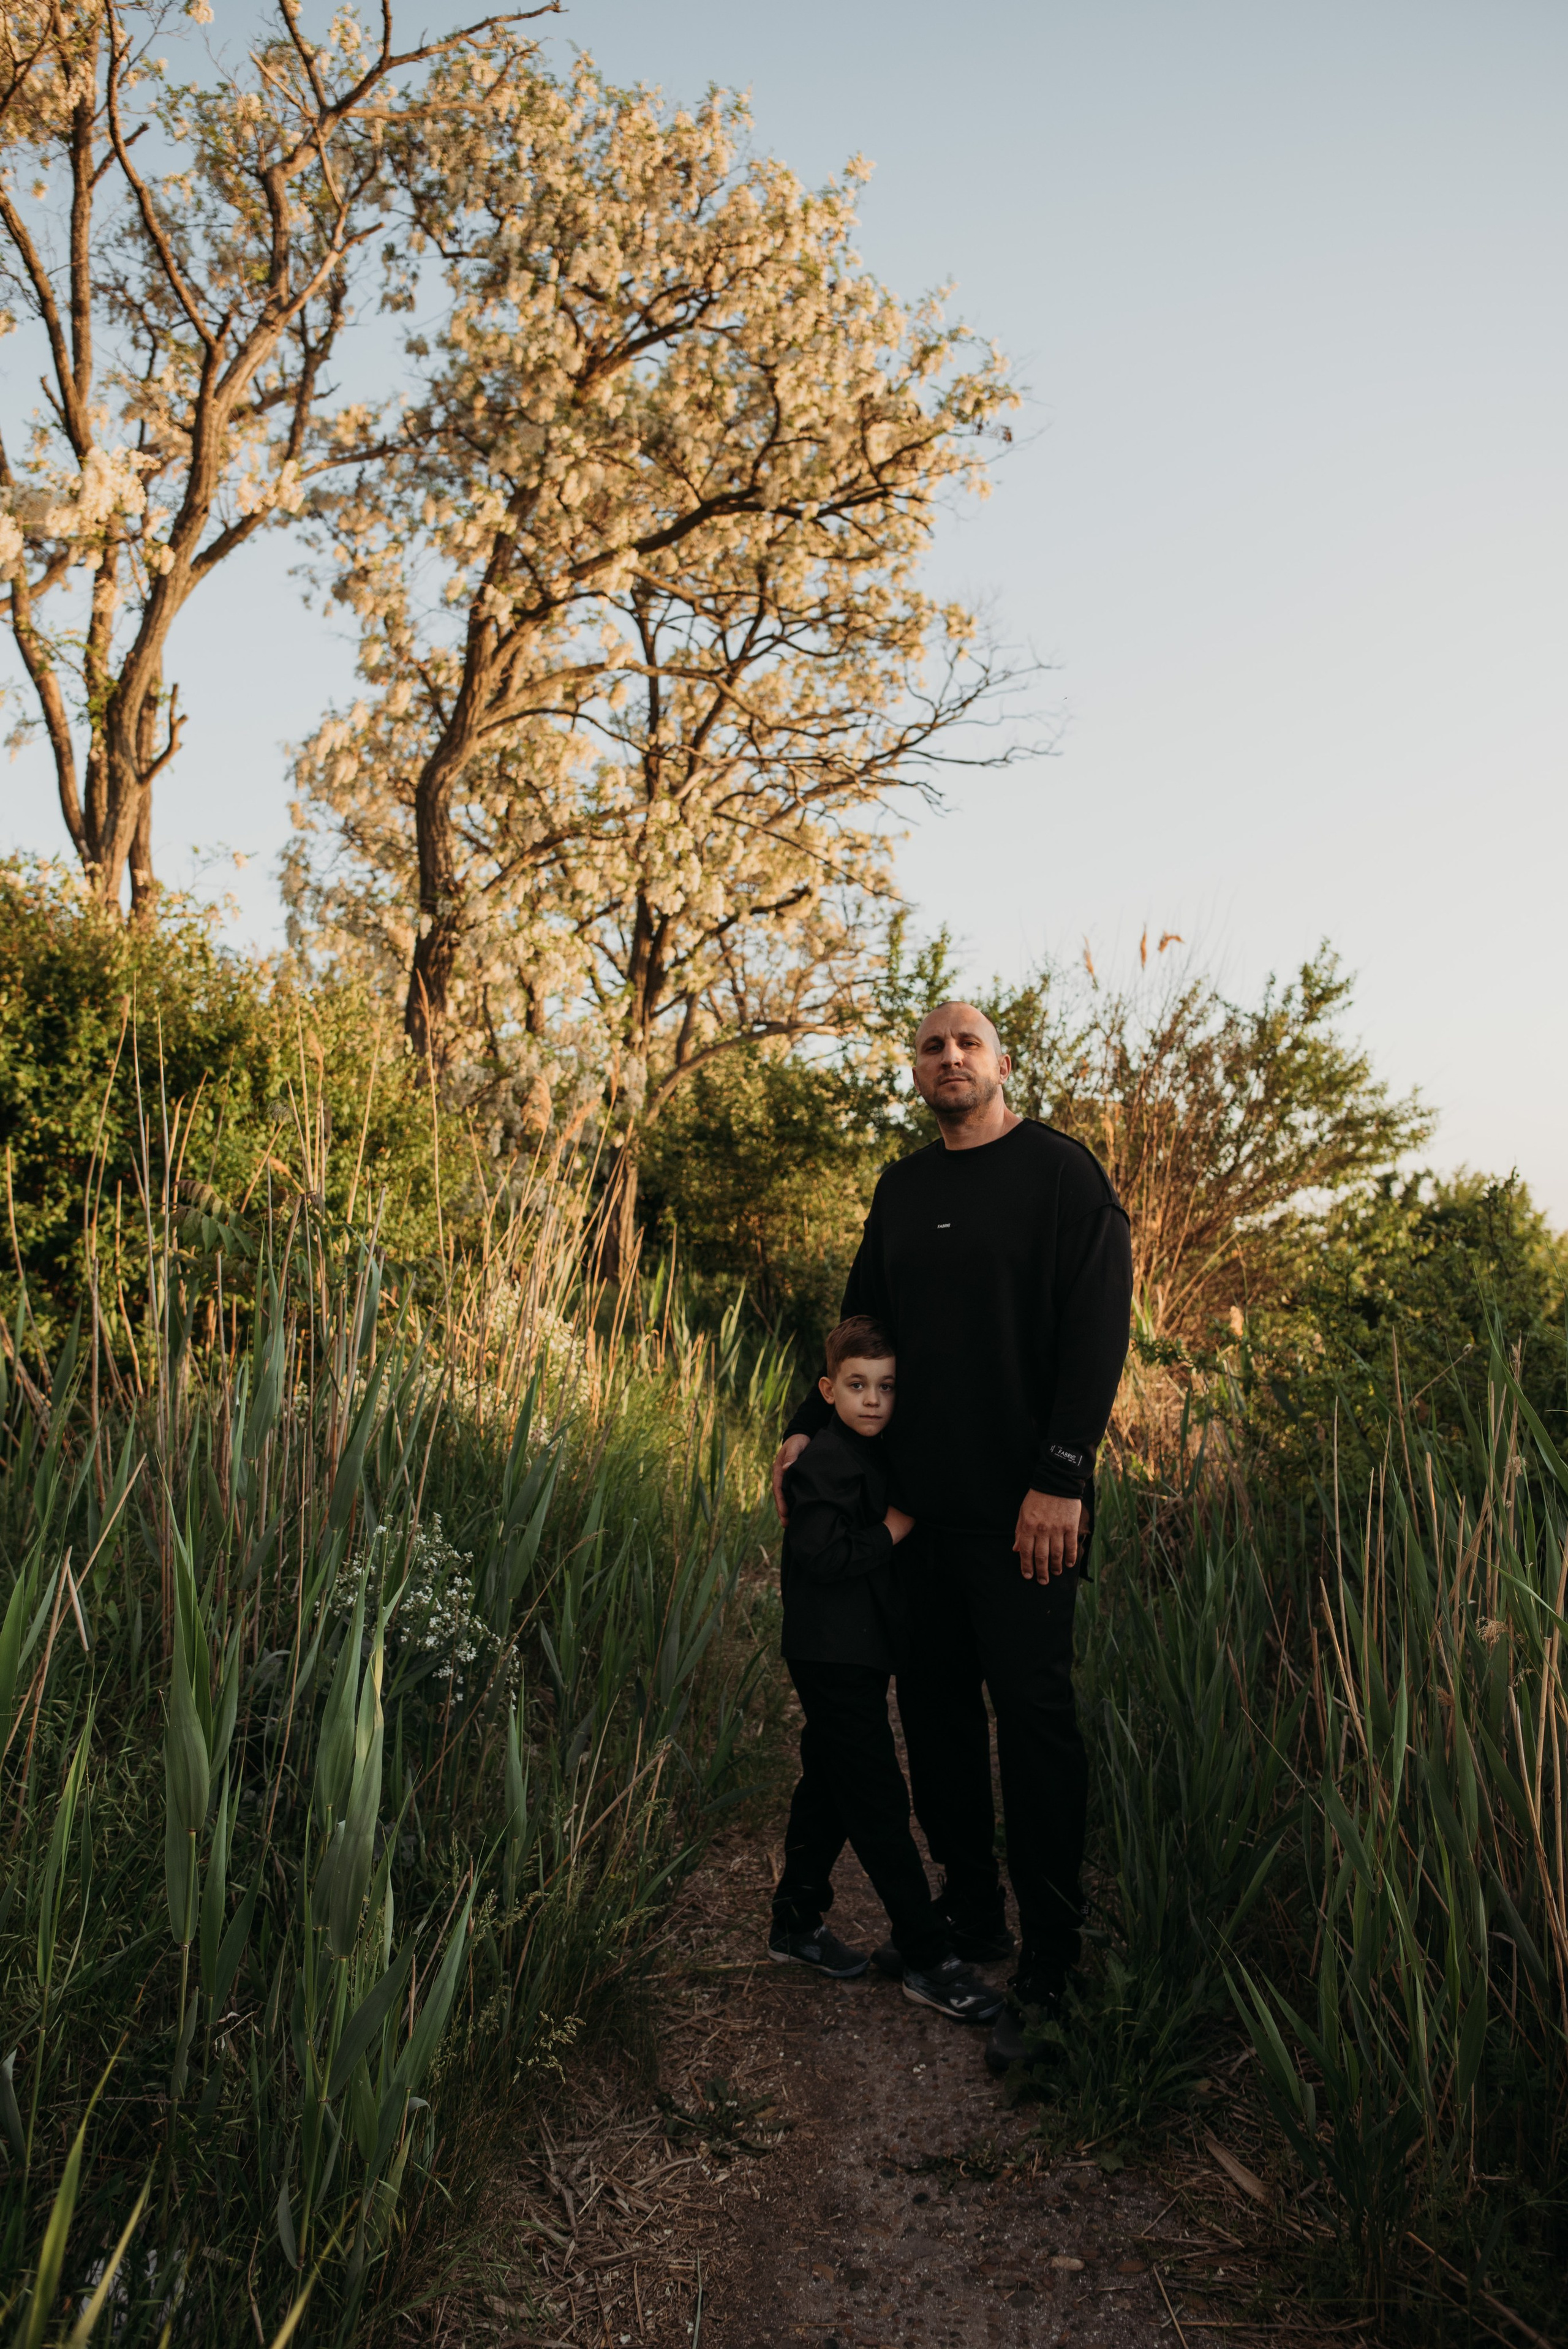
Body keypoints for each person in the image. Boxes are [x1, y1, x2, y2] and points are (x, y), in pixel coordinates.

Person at [772, 1003, 1133, 2073]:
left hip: (1028, 1517)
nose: (948, 1058)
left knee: (1033, 1724)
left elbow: (1097, 1327)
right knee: (932, 1720)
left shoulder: (1063, 1178)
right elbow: (861, 1329)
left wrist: (1062, 1475)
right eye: (930, 1046)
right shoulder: (903, 1189)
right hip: (915, 1515)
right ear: (917, 1072)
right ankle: (974, 1917)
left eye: (966, 1042)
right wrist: (804, 1422)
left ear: (1003, 1062)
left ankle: (1054, 1965)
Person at [769, 1313, 1005, 2025]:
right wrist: (891, 1530)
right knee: (875, 1796)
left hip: (859, 1651)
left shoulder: (874, 1454)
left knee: (831, 1780)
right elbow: (821, 1554)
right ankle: (928, 1957)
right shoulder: (824, 1461)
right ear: (828, 1390)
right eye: (857, 1385)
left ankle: (795, 1920)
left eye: (886, 1386)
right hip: (829, 1652)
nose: (872, 1399)